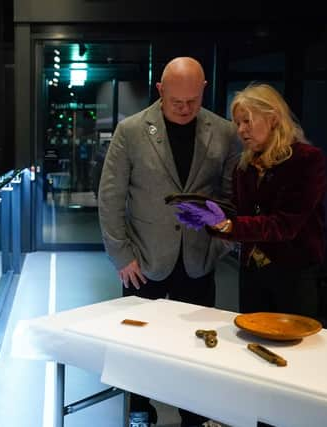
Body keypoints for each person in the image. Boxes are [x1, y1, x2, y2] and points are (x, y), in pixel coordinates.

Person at [98, 56, 240, 427]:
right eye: (176, 101)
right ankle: (140, 408)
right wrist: (121, 255)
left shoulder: (224, 132)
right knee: (137, 344)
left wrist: (219, 246)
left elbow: (231, 198)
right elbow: (110, 197)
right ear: (160, 90)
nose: (184, 108)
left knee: (197, 345)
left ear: (203, 90)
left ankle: (193, 415)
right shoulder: (130, 130)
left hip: (199, 260)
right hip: (143, 260)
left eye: (192, 101)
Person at [175, 83, 327, 318]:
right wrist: (212, 220)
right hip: (251, 271)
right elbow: (240, 218)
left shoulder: (307, 160)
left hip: (294, 273)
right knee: (251, 341)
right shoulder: (244, 166)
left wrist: (229, 225)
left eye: (247, 121)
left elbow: (285, 225)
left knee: (296, 347)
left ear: (273, 118)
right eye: (237, 123)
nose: (241, 130)